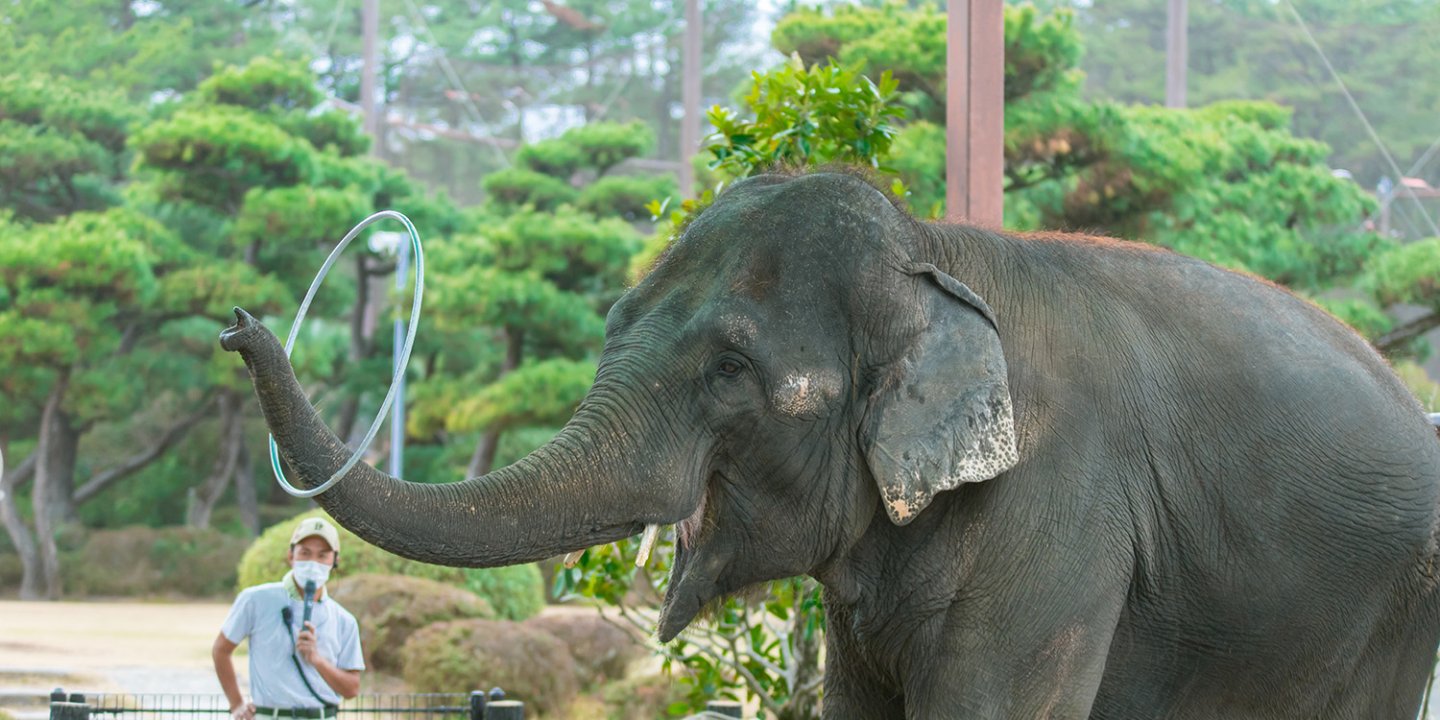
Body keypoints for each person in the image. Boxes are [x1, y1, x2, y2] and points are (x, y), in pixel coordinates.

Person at [213, 517, 364, 720]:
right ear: (290, 555)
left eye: (323, 555)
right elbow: (221, 650)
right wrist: (237, 704)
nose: (313, 562)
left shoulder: (344, 620)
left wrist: (316, 659)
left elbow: (351, 689)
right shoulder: (256, 600)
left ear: (335, 560)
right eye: (305, 553)